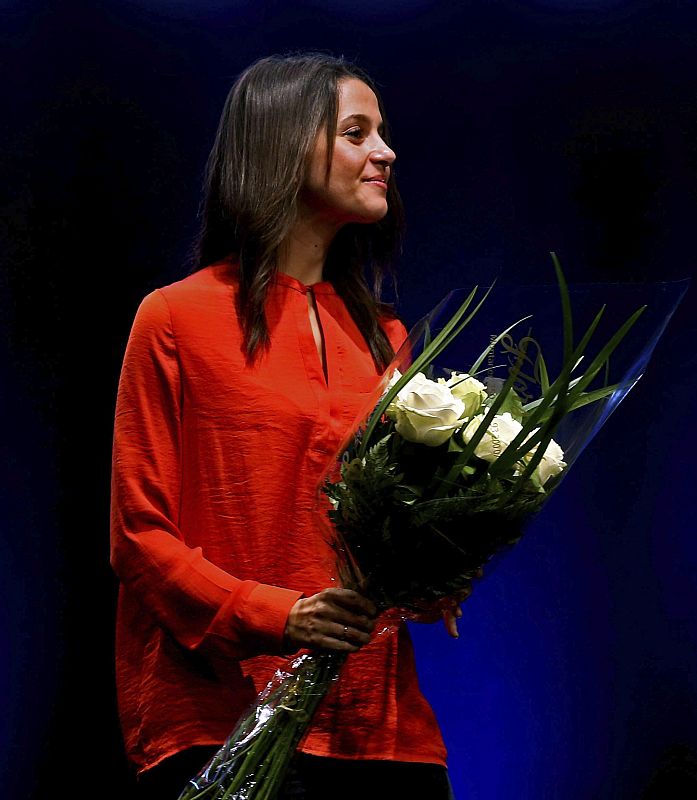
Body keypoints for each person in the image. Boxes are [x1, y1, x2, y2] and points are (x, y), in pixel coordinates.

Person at [110, 52, 466, 800]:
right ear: (281, 146)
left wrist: (436, 569)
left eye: (382, 133)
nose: (385, 153)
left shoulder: (386, 336)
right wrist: (279, 615)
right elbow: (138, 536)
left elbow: (381, 529)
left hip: (380, 728)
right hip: (224, 717)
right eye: (356, 133)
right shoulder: (175, 317)